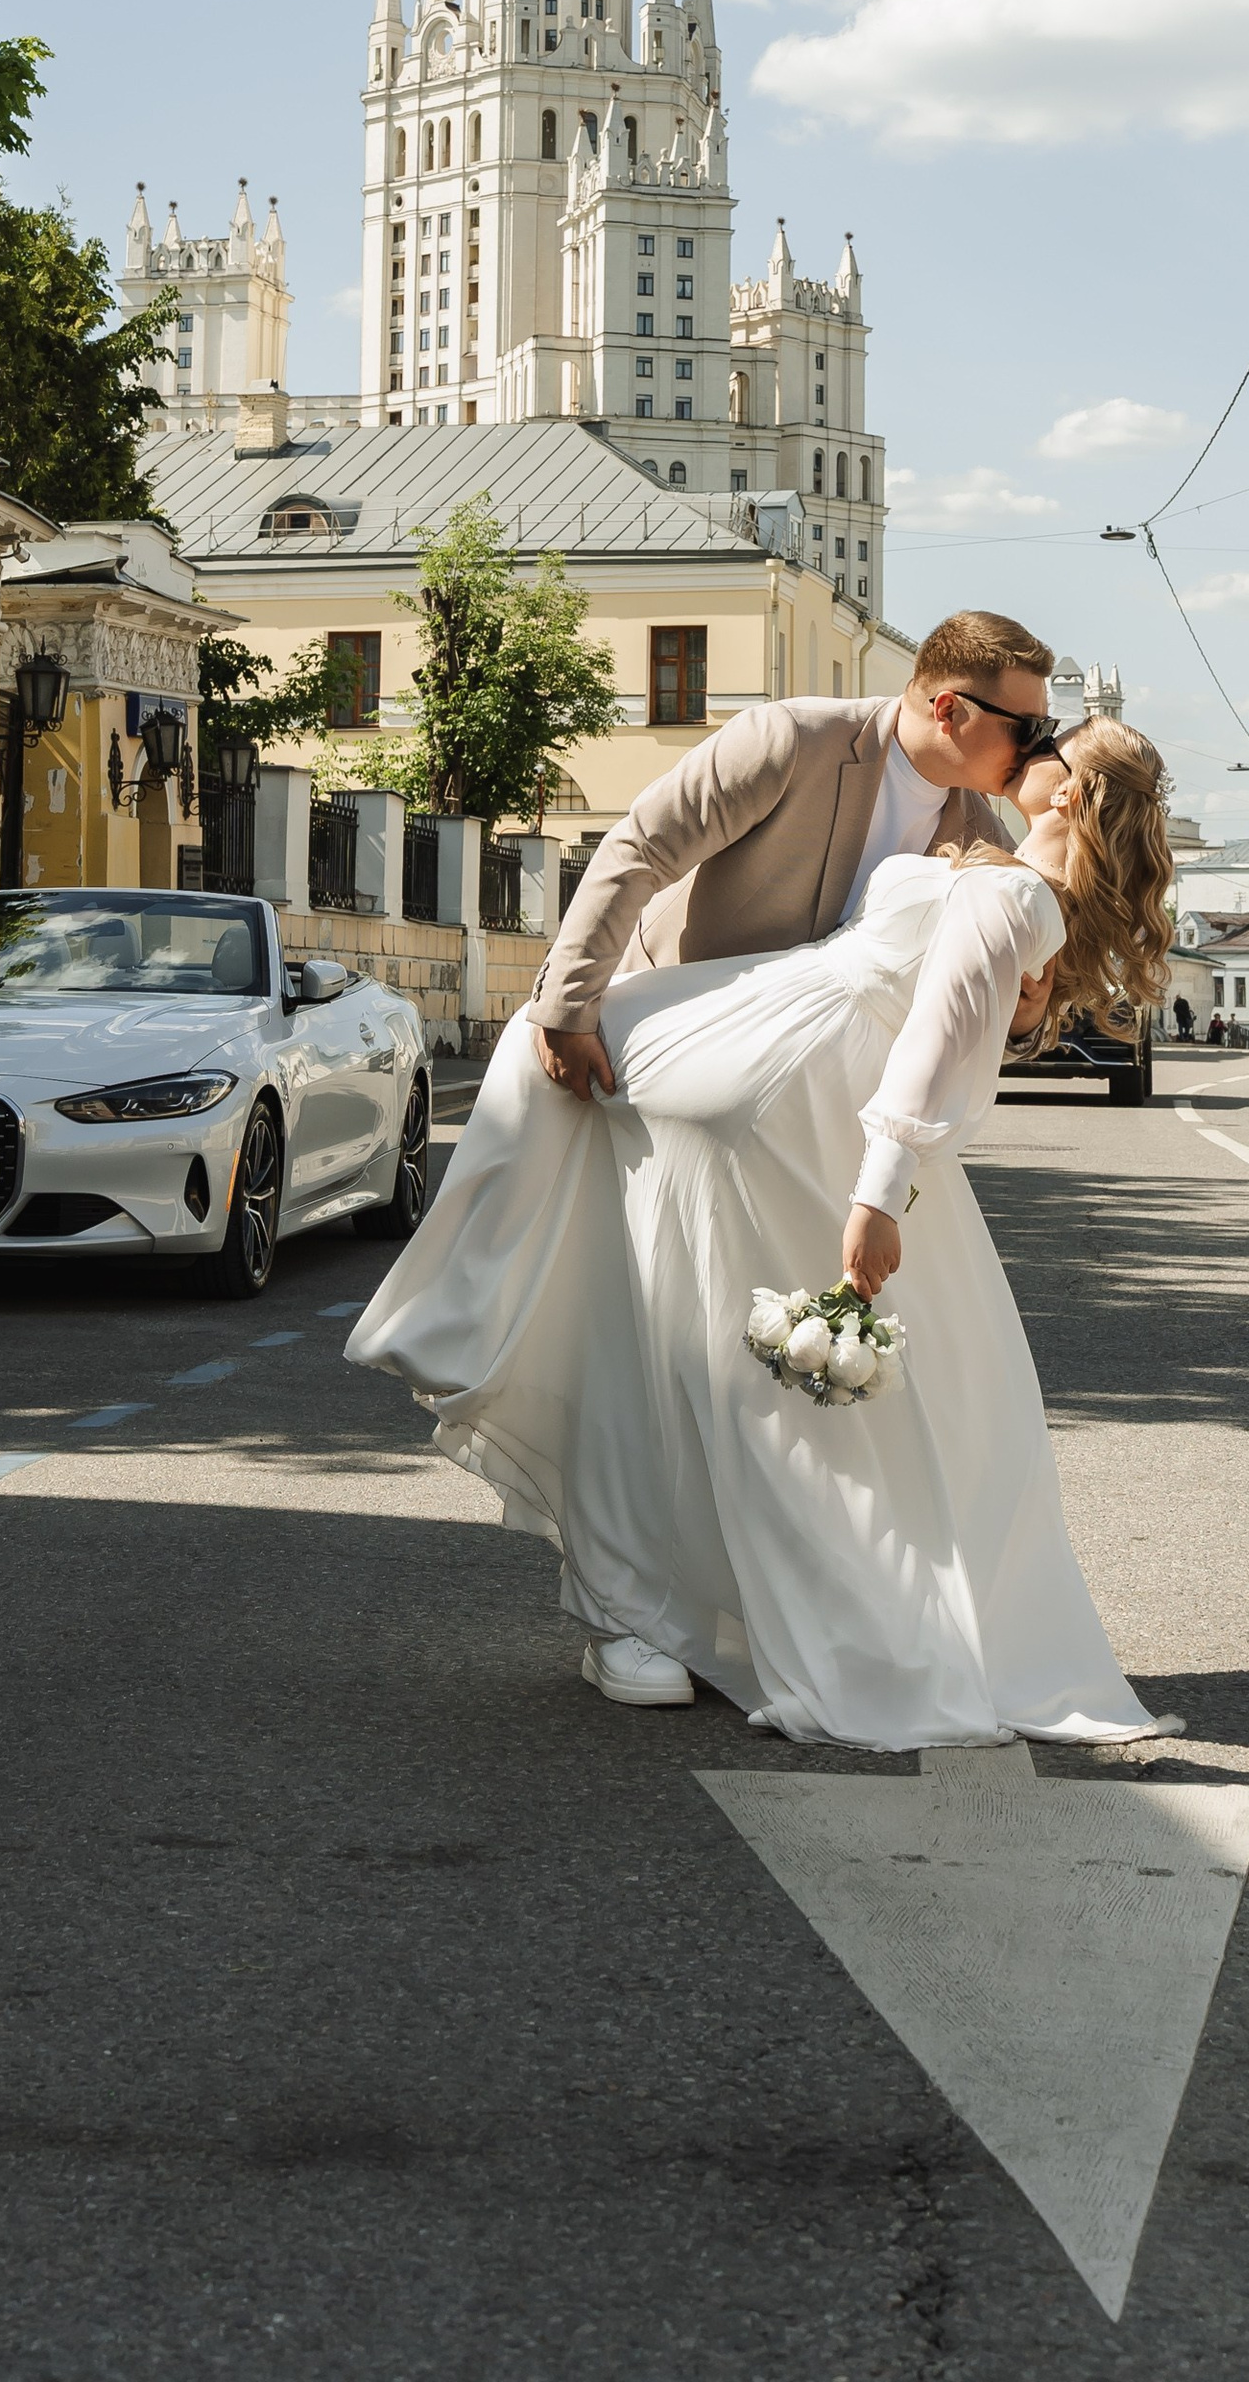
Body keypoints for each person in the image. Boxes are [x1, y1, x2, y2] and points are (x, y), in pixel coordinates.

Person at [349, 716, 1183, 1753]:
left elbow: (935, 1047)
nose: (1031, 740)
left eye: (1052, 739)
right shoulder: (993, 863)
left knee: (683, 1350)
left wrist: (878, 1195)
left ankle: (624, 1565)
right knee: (720, 1359)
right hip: (766, 1074)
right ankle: (665, 1596)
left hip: (782, 1090)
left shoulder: (1011, 891)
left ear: (1068, 793)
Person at [527, 612, 1077, 1110]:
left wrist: (1022, 1021)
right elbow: (638, 850)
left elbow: (967, 1011)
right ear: (949, 709)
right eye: (1026, 728)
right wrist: (566, 1009)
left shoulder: (982, 837)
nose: (1036, 748)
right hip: (666, 1046)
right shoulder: (791, 739)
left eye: (1045, 731)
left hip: (815, 1104)